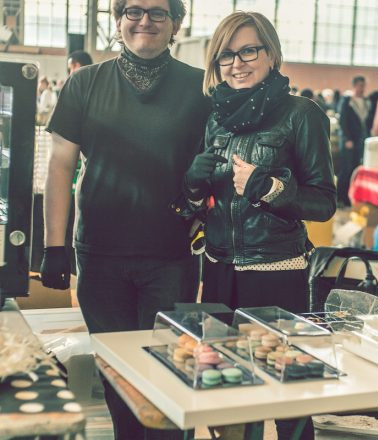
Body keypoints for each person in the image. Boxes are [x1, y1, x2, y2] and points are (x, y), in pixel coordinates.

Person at [40, 0, 210, 438]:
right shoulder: (86, 84)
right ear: (118, 21)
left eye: (158, 12)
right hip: (100, 255)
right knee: (117, 379)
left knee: (170, 377)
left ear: (176, 23)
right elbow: (60, 164)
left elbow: (219, 163)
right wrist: (53, 246)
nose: (145, 21)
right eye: (133, 10)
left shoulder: (200, 88)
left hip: (170, 257)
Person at [183, 11, 336, 440]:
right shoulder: (214, 117)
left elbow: (324, 203)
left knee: (288, 398)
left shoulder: (301, 114)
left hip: (277, 275)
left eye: (248, 50)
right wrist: (192, 185)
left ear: (271, 54)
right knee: (225, 393)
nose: (237, 63)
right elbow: (196, 205)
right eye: (226, 56)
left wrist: (268, 187)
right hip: (217, 271)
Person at [337, 75, 370, 207]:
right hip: (348, 141)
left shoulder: (366, 101)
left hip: (360, 140)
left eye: (363, 85)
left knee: (356, 169)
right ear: (354, 86)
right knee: (346, 168)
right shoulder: (347, 100)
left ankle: (350, 197)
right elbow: (343, 121)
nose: (362, 88)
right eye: (360, 85)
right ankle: (340, 197)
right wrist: (347, 138)